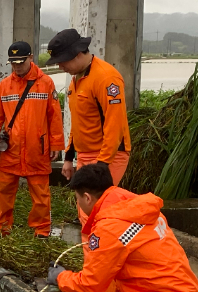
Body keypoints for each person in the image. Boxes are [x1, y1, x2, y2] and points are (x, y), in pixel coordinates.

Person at [46, 164, 198, 292]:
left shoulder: (110, 226)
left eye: (77, 199)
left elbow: (90, 283)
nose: (78, 204)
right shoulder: (134, 206)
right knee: (108, 288)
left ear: (87, 198)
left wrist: (60, 278)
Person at [46, 29, 132, 235]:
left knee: (99, 208)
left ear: (77, 54)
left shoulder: (106, 78)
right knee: (84, 210)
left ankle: (104, 255)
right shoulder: (77, 78)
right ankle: (91, 257)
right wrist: (68, 158)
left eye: (62, 61)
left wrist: (102, 166)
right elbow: (78, 122)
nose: (60, 66)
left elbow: (115, 125)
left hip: (108, 156)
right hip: (85, 154)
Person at [0, 41, 64, 237]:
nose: (17, 66)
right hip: (11, 149)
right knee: (3, 192)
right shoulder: (4, 86)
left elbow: (54, 116)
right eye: (13, 63)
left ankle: (41, 230)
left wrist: (57, 144)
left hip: (37, 148)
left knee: (41, 194)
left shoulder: (46, 83)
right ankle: (0, 227)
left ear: (31, 58)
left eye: (20, 62)